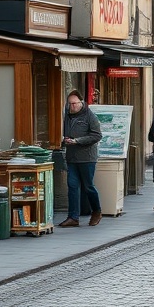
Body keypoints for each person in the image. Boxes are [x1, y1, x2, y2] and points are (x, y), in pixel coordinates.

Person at [59, 90, 103, 228]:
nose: (72, 106)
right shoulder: (67, 116)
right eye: (70, 104)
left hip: (87, 158)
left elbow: (97, 135)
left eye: (74, 103)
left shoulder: (90, 116)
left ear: (81, 102)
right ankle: (73, 217)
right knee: (72, 186)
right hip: (72, 158)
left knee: (88, 186)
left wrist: (77, 141)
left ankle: (96, 211)